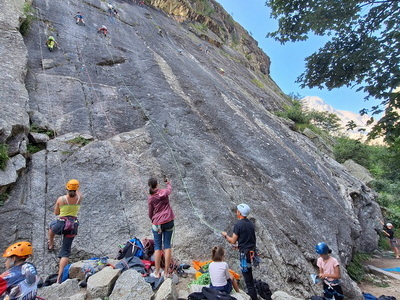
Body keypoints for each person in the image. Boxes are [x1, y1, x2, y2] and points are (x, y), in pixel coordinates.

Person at [48, 179, 83, 283]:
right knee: (65, 252)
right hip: (72, 227)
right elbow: (79, 193)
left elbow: (56, 212)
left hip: (61, 225)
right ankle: (60, 277)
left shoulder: (61, 199)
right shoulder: (80, 198)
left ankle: (50, 243)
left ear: (67, 188)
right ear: (77, 189)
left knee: (51, 226)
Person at [222, 203, 257, 300]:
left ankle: (253, 297)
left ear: (240, 212)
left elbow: (233, 240)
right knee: (248, 276)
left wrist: (225, 235)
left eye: (237, 210)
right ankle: (252, 295)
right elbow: (249, 238)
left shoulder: (238, 224)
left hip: (245, 254)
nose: (236, 212)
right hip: (250, 252)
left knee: (248, 279)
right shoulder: (250, 223)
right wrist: (239, 246)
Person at [147, 177, 174, 278]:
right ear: (157, 184)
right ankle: (166, 273)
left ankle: (157, 272)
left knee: (157, 247)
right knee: (167, 245)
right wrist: (168, 183)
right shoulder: (164, 192)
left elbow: (150, 213)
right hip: (169, 220)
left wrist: (153, 220)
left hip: (157, 223)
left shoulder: (151, 198)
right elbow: (170, 190)